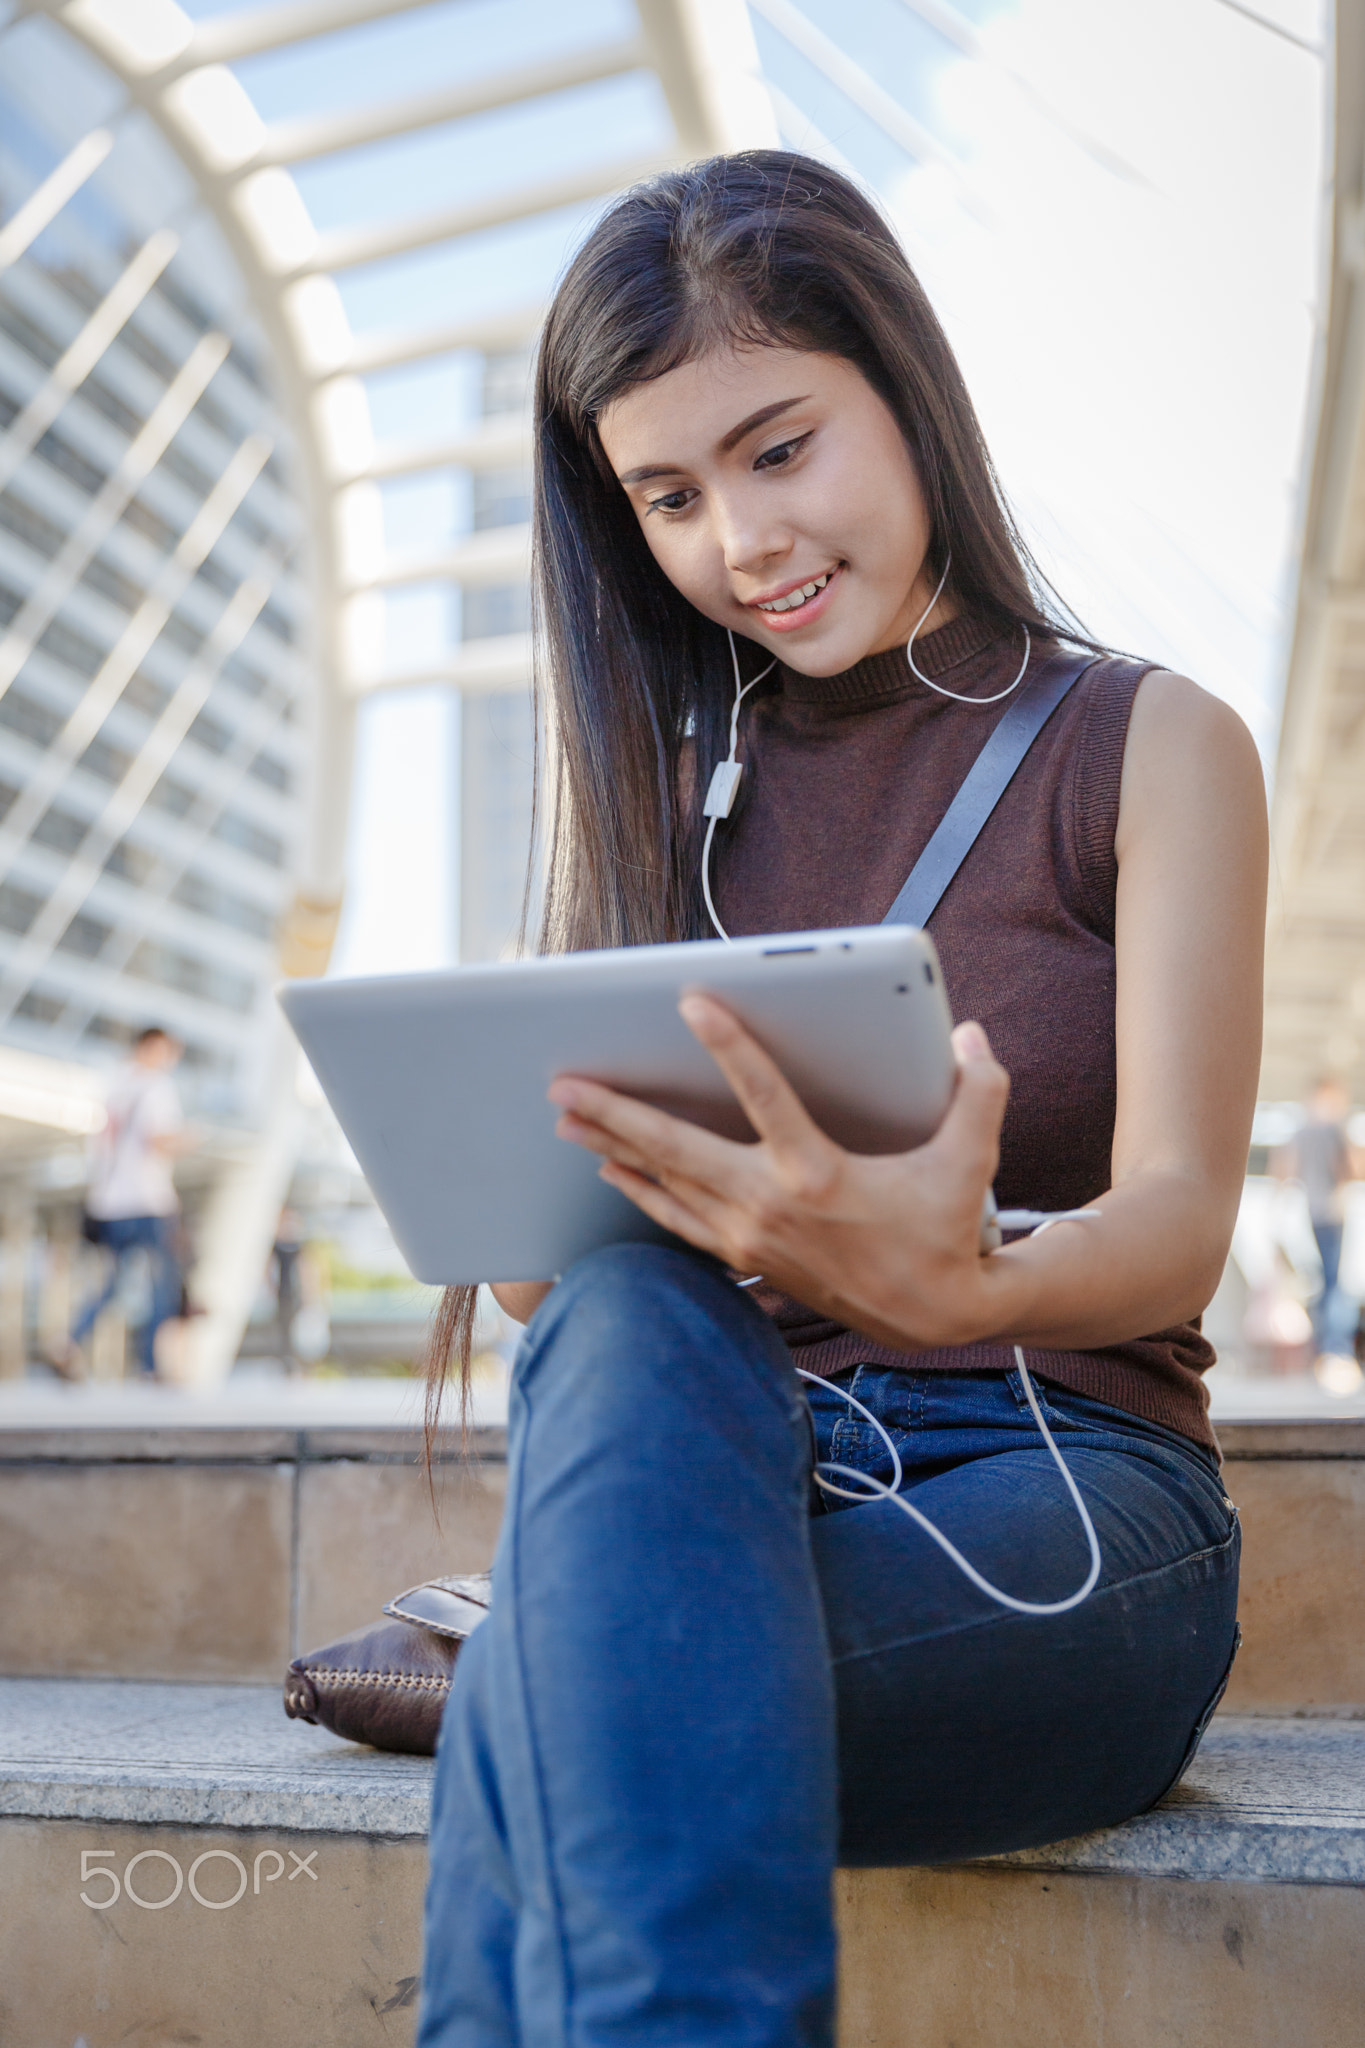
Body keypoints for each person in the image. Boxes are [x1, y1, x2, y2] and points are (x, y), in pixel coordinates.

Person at [416, 154, 1266, 2047]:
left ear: (904, 385)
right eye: (669, 493)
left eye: (780, 447)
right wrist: (545, 1217)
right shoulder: (654, 794)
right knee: (628, 1320)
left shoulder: (1151, 743)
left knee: (561, 1695)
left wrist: (957, 1286)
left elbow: (1182, 1213)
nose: (741, 537)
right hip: (730, 1483)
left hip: (1065, 1496)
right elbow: (589, 1312)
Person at [56, 1026, 192, 1380]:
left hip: (109, 1203)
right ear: (151, 1047)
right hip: (149, 1201)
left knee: (113, 1284)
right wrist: (190, 1139)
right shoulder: (156, 1086)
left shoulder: (114, 1085)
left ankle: (69, 1343)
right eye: (167, 1052)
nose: (170, 1060)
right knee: (162, 1284)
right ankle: (150, 1366)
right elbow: (158, 1140)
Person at [1278, 1077, 1361, 1369]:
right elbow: (1350, 1169)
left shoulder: (1300, 1132)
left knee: (1319, 1282)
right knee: (1335, 1283)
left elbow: (1284, 1171)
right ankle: (1335, 1349)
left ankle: (1323, 1348)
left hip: (1310, 1213)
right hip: (1335, 1213)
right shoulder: (1334, 1131)